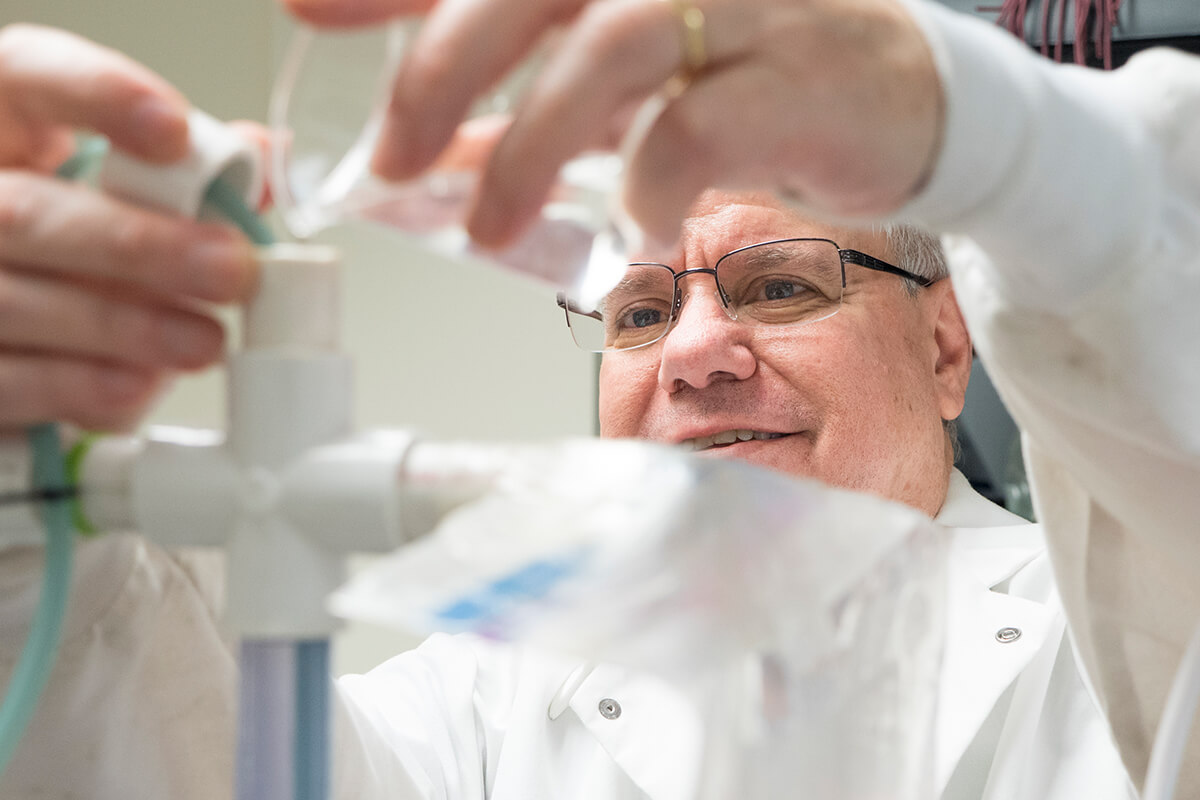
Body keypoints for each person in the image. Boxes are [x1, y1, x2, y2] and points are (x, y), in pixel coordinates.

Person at [0, 0, 1197, 793]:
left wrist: (994, 135)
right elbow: (169, 751)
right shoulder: (487, 694)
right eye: (637, 311)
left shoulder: (1123, 628)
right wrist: (26, 494)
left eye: (779, 285)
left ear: (948, 349)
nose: (694, 354)